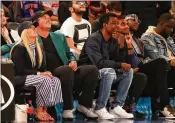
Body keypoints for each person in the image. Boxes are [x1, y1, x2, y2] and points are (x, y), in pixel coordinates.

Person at [33, 10, 99, 120]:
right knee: (65, 70)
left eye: (49, 17)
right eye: (44, 17)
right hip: (48, 73)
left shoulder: (59, 36)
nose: (48, 19)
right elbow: (13, 45)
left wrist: (72, 60)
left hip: (66, 72)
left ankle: (84, 105)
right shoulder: (32, 38)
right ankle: (68, 108)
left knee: (92, 69)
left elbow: (69, 53)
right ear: (35, 23)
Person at [79, 13, 134, 119]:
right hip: (88, 73)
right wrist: (119, 64)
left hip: (104, 73)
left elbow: (118, 61)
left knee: (128, 71)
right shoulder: (94, 39)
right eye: (114, 23)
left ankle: (117, 107)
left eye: (117, 24)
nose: (117, 26)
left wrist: (122, 46)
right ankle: (100, 107)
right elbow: (99, 63)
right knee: (109, 71)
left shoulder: (113, 40)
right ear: (105, 25)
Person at [10, 21, 63, 121]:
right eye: (31, 28)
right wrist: (40, 74)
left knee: (55, 80)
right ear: (25, 32)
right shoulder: (19, 48)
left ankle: (45, 110)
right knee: (44, 80)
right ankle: (39, 111)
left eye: (34, 27)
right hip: (19, 78)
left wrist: (46, 73)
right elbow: (20, 70)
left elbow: (42, 68)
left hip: (34, 77)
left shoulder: (39, 47)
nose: (34, 29)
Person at [141, 13, 175, 117]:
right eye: (169, 27)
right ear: (161, 24)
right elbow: (155, 56)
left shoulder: (168, 38)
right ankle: (163, 105)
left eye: (173, 28)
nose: (172, 30)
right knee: (161, 62)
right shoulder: (147, 37)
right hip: (152, 71)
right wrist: (172, 61)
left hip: (168, 69)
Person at [113, 15, 147, 117]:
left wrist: (128, 45)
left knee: (141, 77)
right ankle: (116, 105)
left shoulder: (126, 39)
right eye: (123, 24)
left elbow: (134, 64)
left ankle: (130, 107)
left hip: (123, 72)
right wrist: (126, 67)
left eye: (127, 24)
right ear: (115, 26)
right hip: (111, 72)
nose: (127, 27)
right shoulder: (111, 39)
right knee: (130, 72)